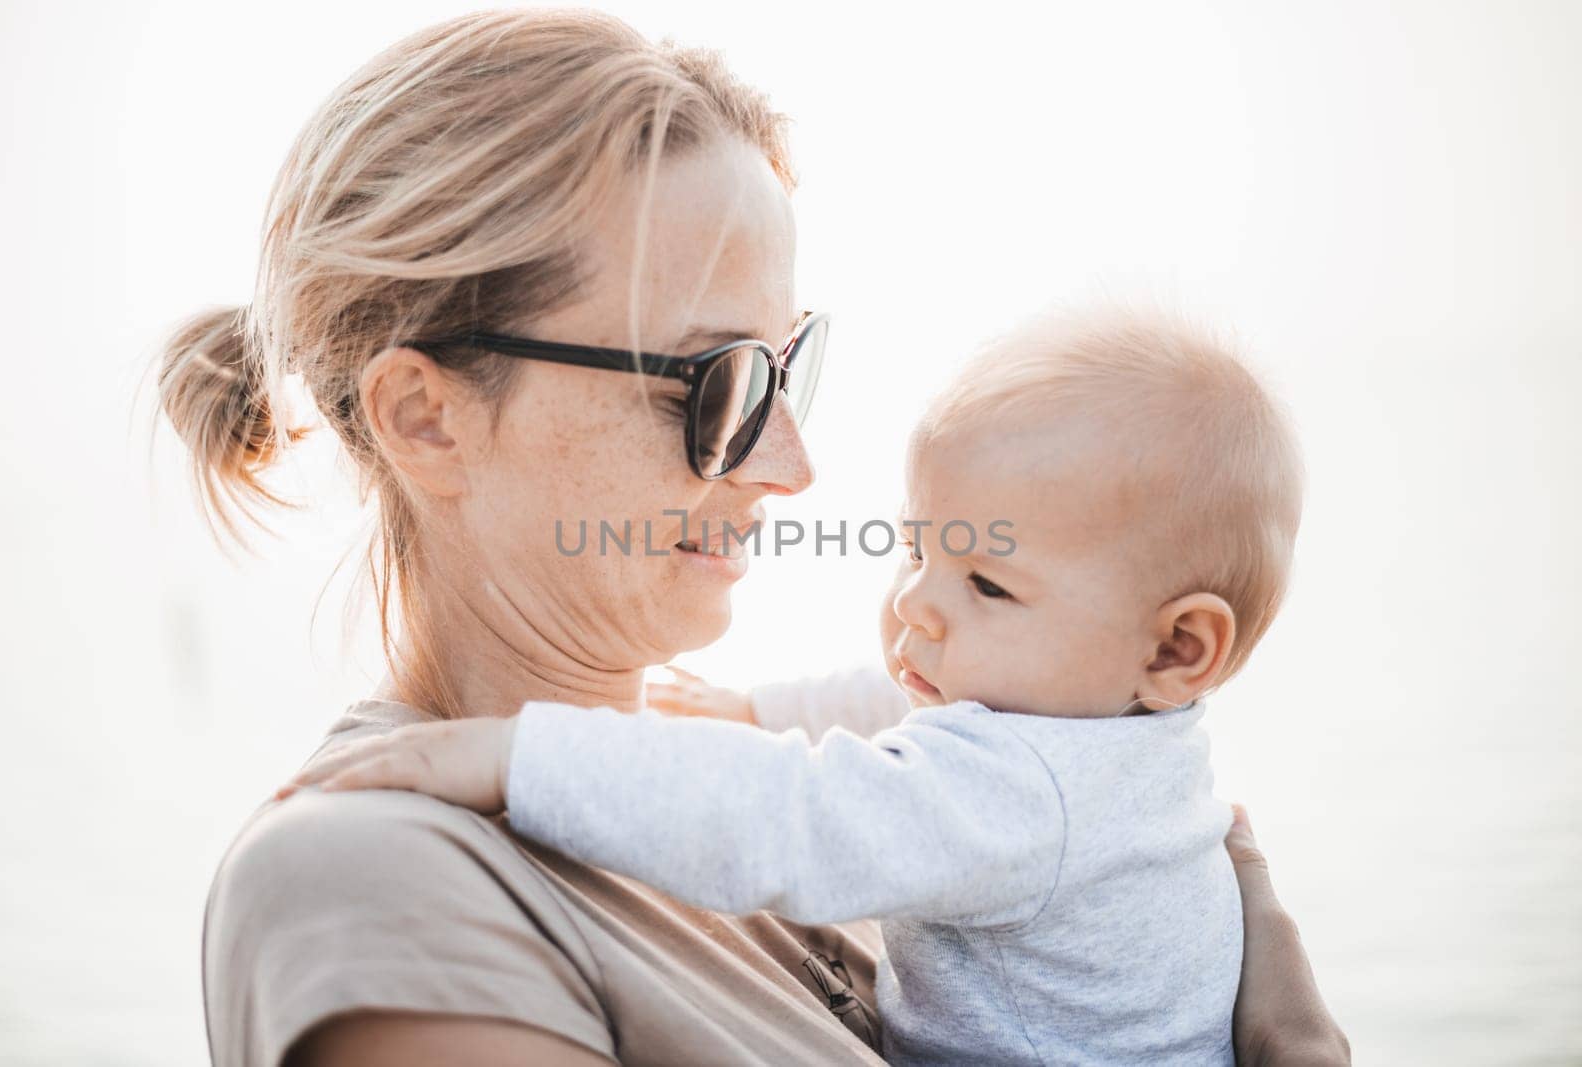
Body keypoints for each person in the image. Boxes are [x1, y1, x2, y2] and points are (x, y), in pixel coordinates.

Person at [158, 9, 1350, 1066]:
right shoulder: (369, 876)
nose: (792, 464)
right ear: (427, 418)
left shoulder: (770, 794)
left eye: (790, 369)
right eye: (717, 382)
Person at [283, 309, 1303, 1064]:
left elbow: (794, 814)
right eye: (916, 553)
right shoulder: (1113, 728)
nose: (918, 608)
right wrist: (759, 709)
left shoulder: (1019, 788)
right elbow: (892, 694)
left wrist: (519, 753)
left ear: (1179, 648)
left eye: (987, 582)